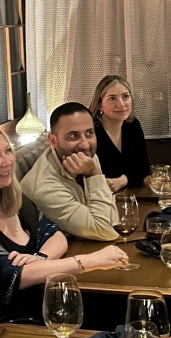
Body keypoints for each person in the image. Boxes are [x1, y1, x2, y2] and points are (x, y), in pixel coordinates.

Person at [0, 124, 128, 334]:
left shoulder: (11, 197)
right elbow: (12, 275)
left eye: (8, 151)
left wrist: (40, 258)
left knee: (124, 313)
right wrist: (91, 261)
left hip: (34, 310)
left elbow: (56, 235)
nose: (8, 161)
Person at [20, 102, 120, 240]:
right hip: (64, 248)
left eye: (89, 133)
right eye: (73, 136)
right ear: (53, 140)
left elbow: (113, 220)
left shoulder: (85, 157)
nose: (85, 145)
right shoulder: (43, 187)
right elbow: (106, 230)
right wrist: (93, 174)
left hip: (86, 241)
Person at [88, 74, 150, 192]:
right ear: (99, 105)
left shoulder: (132, 125)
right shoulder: (90, 131)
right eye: (112, 98)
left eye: (125, 96)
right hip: (97, 196)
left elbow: (144, 170)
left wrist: (123, 180)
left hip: (130, 195)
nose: (121, 104)